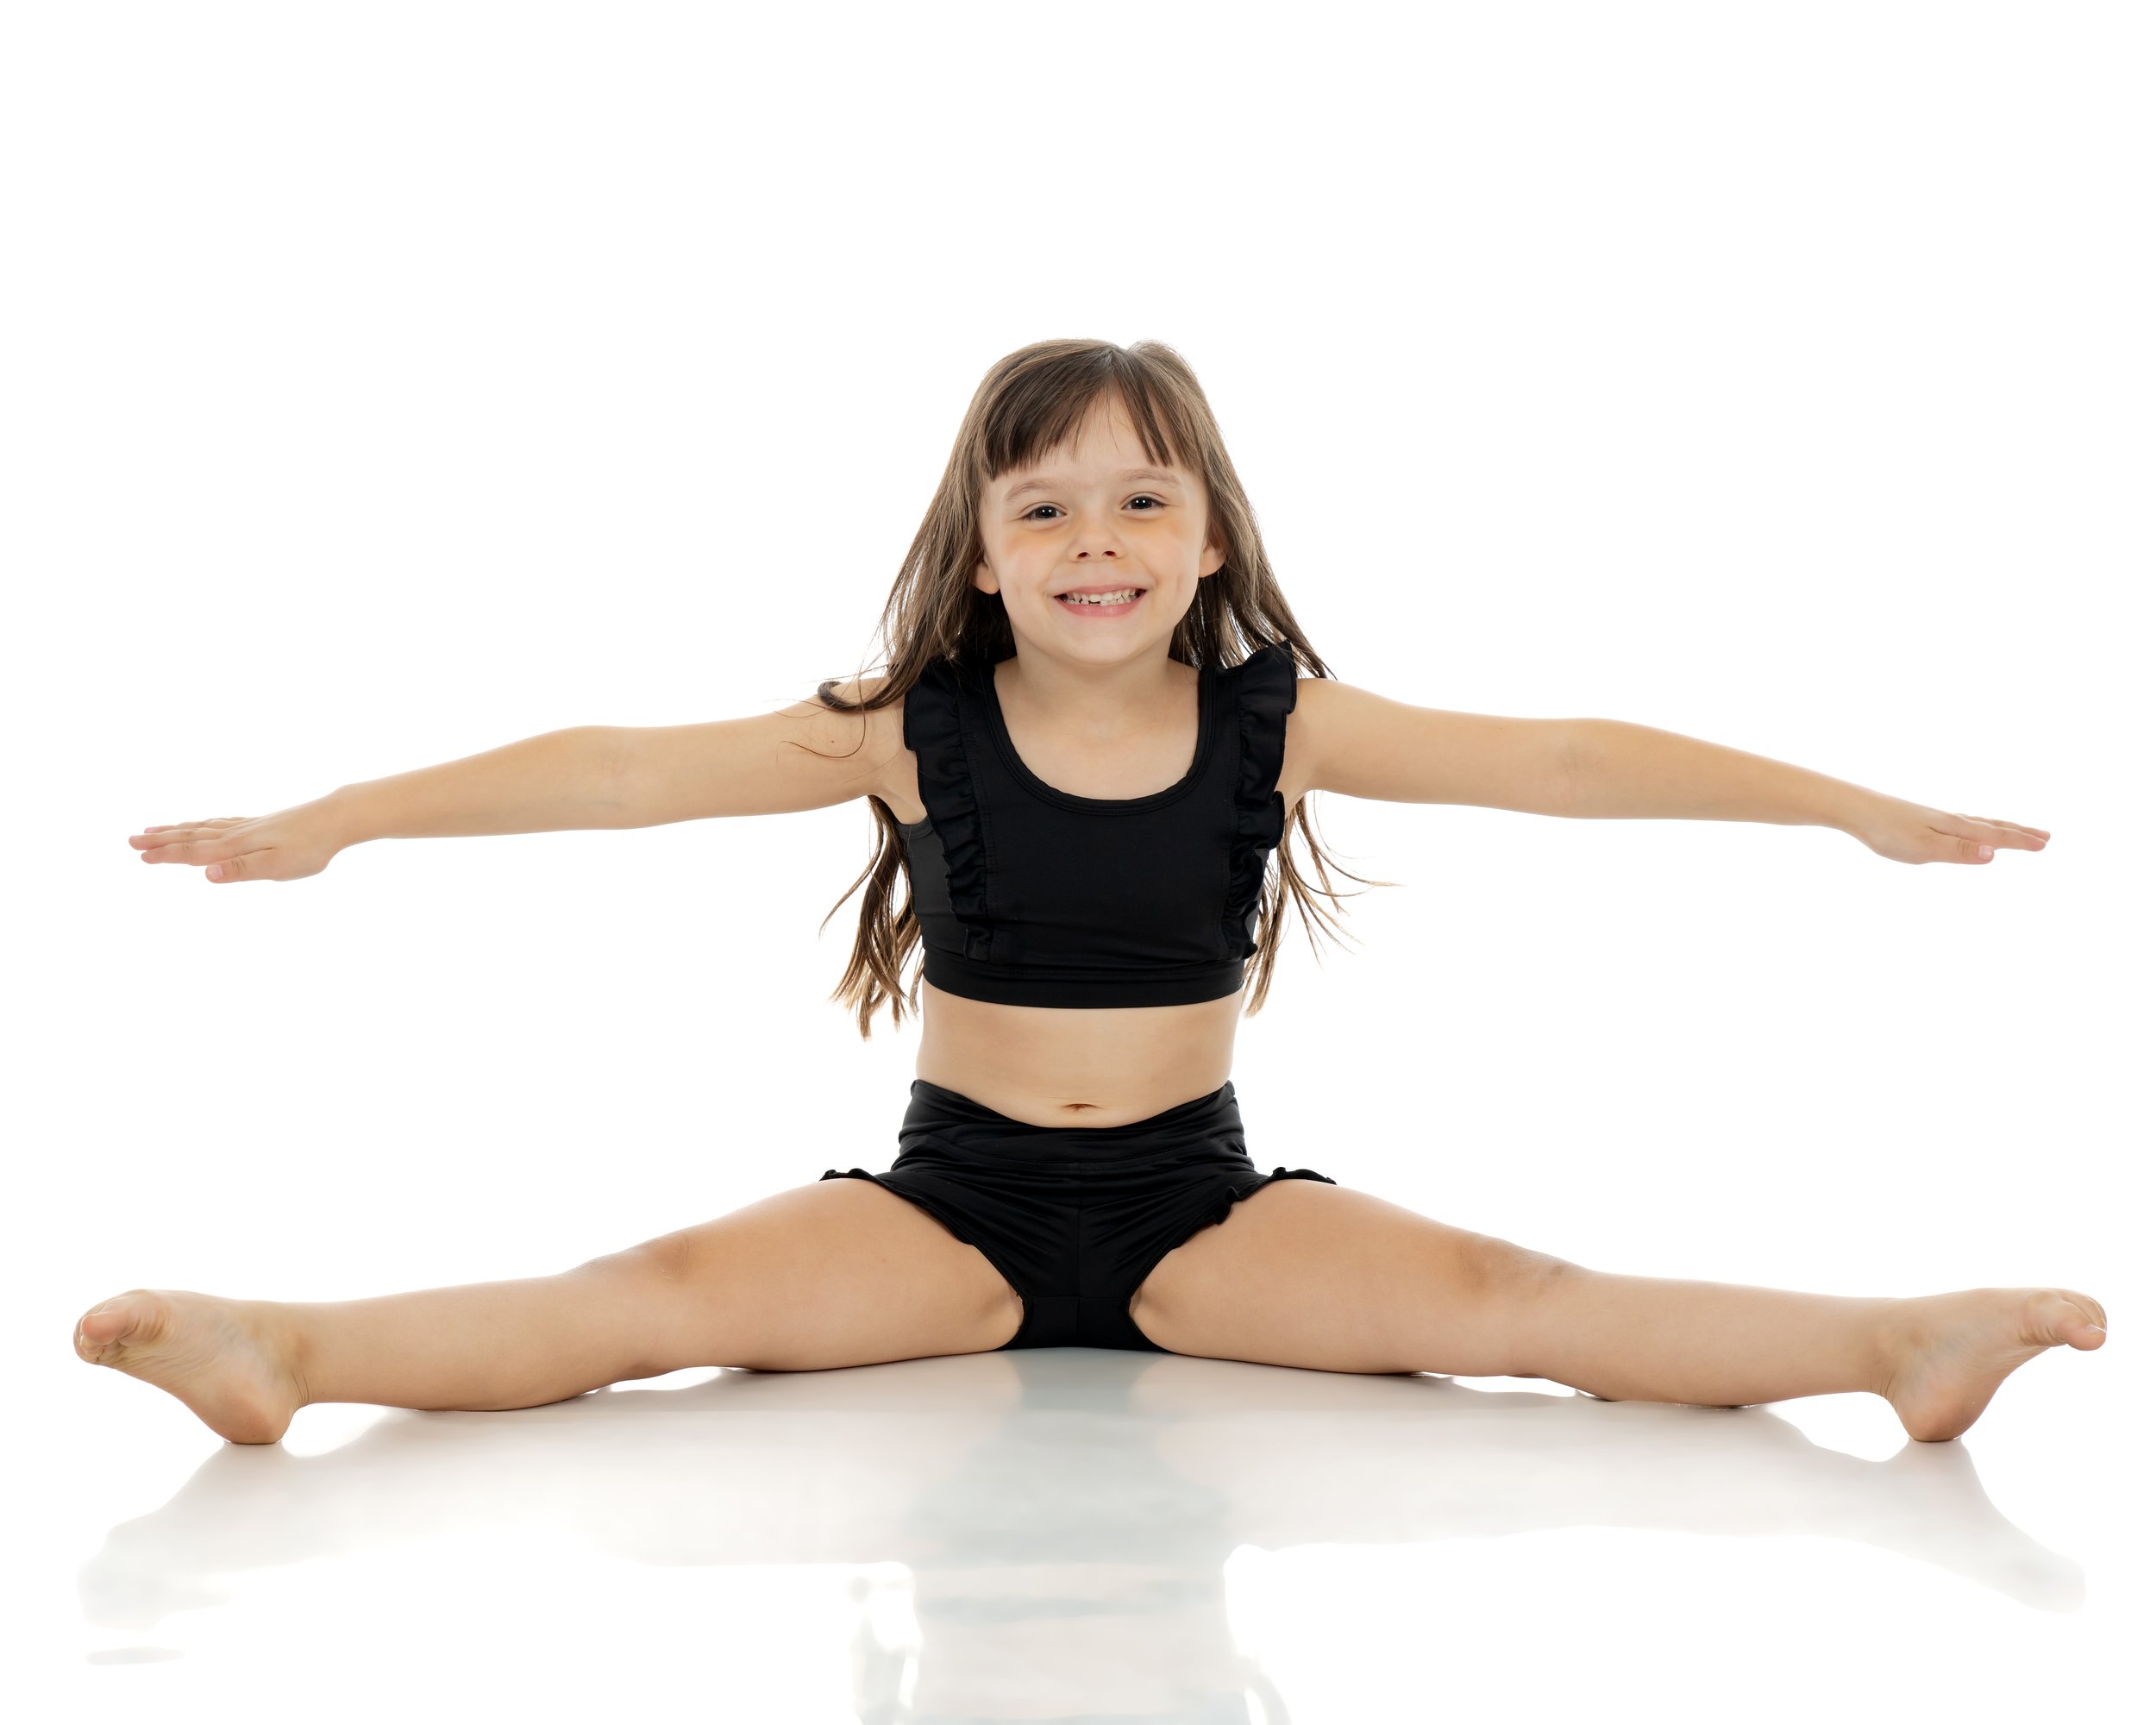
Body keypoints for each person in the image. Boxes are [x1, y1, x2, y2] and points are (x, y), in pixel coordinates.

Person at [73, 337, 2104, 1447]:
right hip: (947, 1206)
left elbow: (1565, 759)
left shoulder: (1279, 721)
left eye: (1142, 494)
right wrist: (339, 813)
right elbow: (618, 771)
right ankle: (288, 1349)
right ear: (980, 554)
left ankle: (1888, 1340)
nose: (1095, 534)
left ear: (1208, 538)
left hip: (1195, 1209)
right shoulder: (903, 722)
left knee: (1519, 1307)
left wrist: (1853, 806)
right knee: (646, 1304)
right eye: (1041, 504)